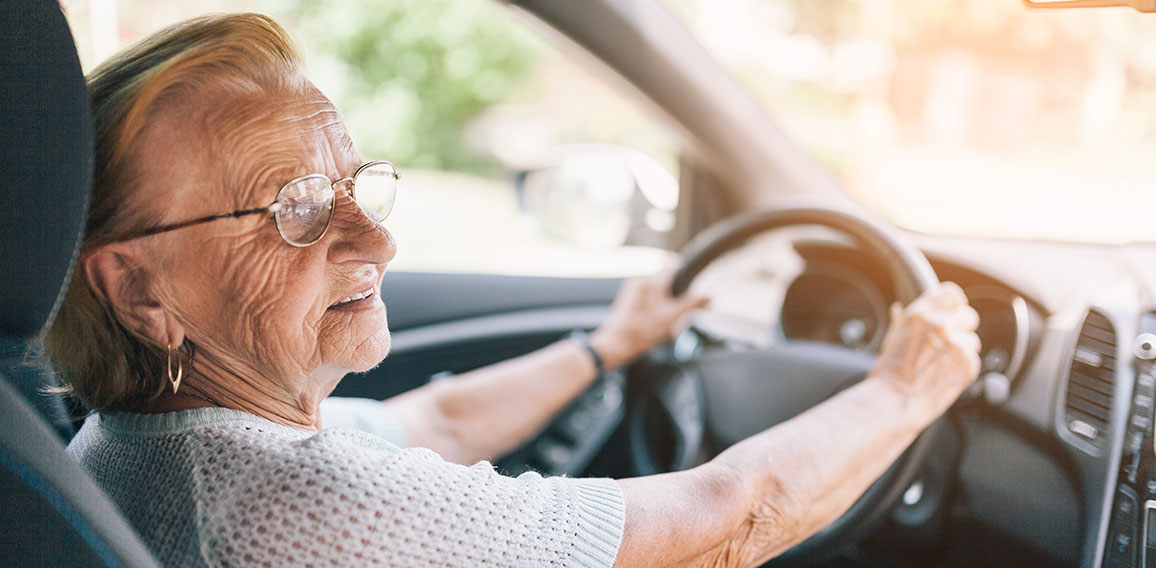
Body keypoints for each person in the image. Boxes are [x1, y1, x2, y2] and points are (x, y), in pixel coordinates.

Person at [46, 12, 981, 568]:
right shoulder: (291, 499)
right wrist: (906, 389)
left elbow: (440, 421)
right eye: (292, 207)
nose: (376, 236)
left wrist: (605, 349)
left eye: (354, 185)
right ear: (138, 293)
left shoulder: (139, 446)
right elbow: (726, 525)